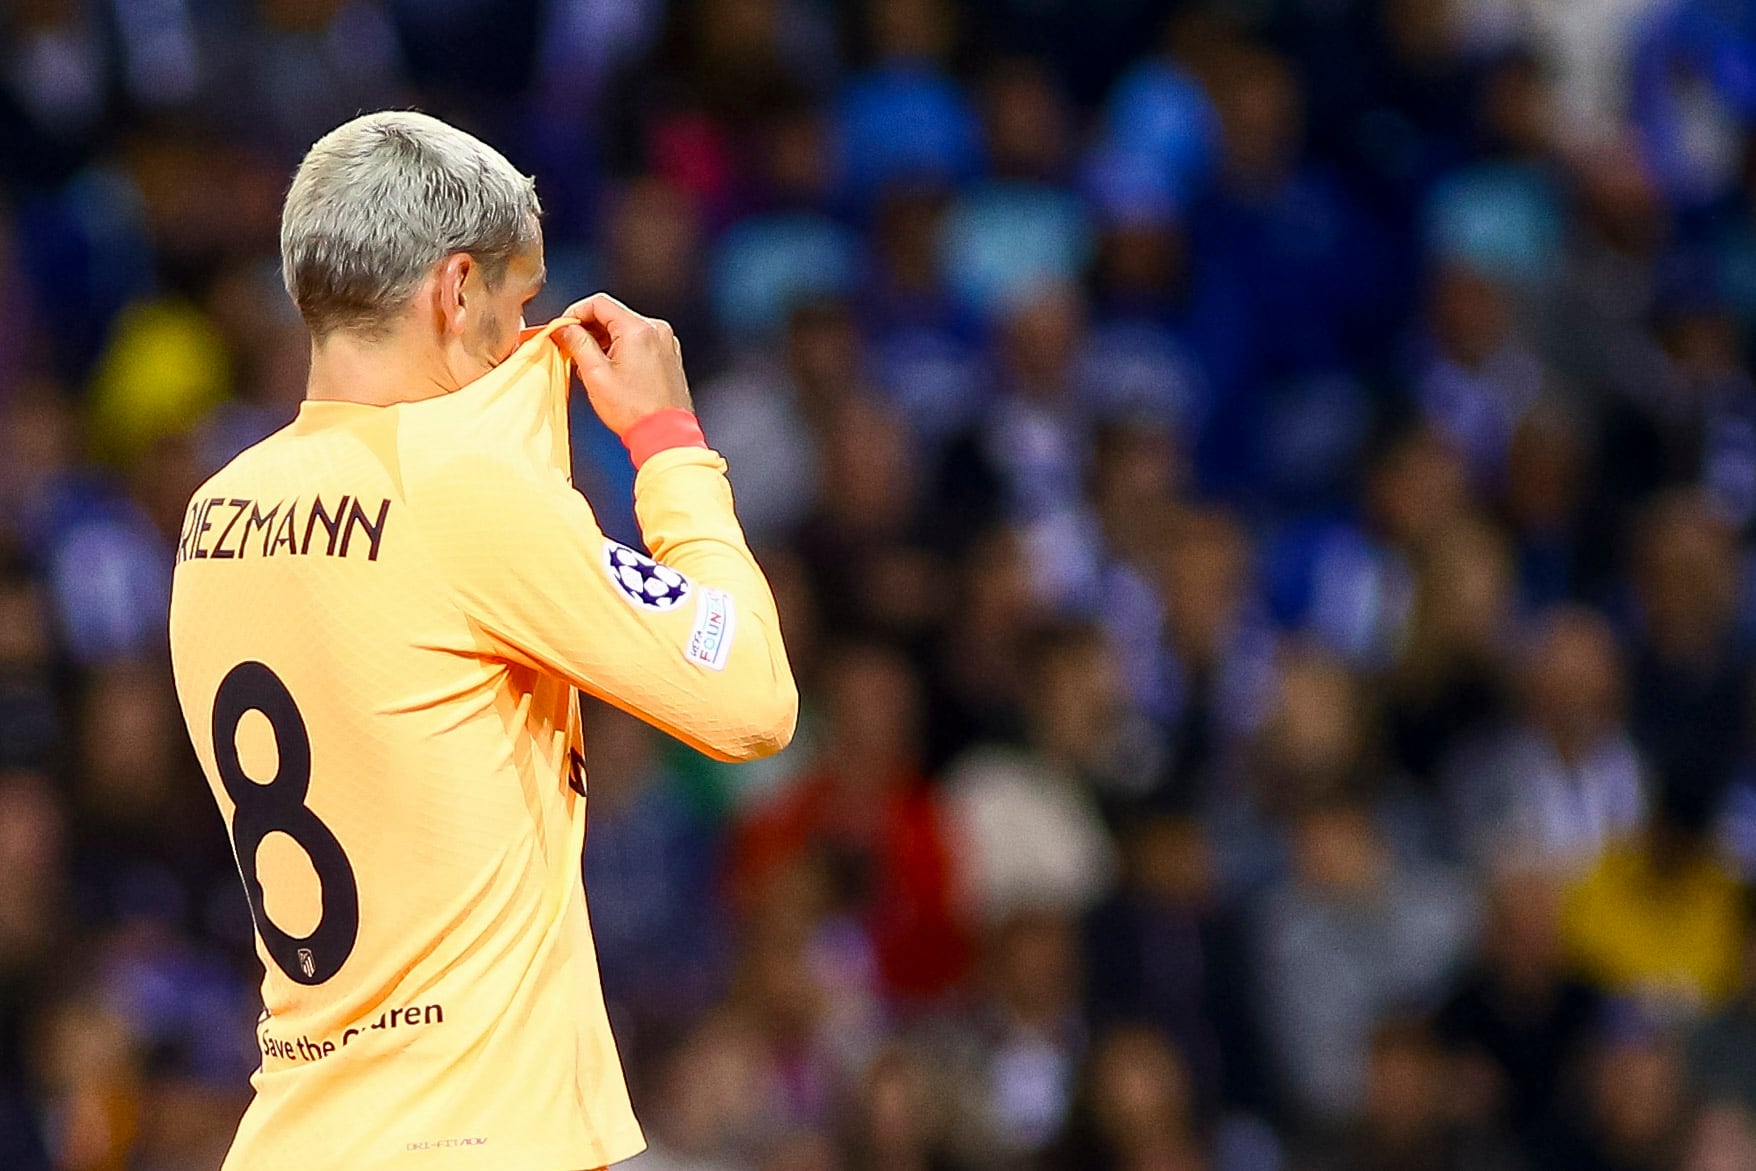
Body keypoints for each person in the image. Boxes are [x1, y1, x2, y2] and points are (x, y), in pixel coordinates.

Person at [166, 111, 798, 1171]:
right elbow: (750, 696)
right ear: (455, 291)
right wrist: (668, 443)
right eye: (519, 302)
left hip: (298, 1131)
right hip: (472, 1133)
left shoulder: (214, 513)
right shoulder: (461, 493)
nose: (525, 340)